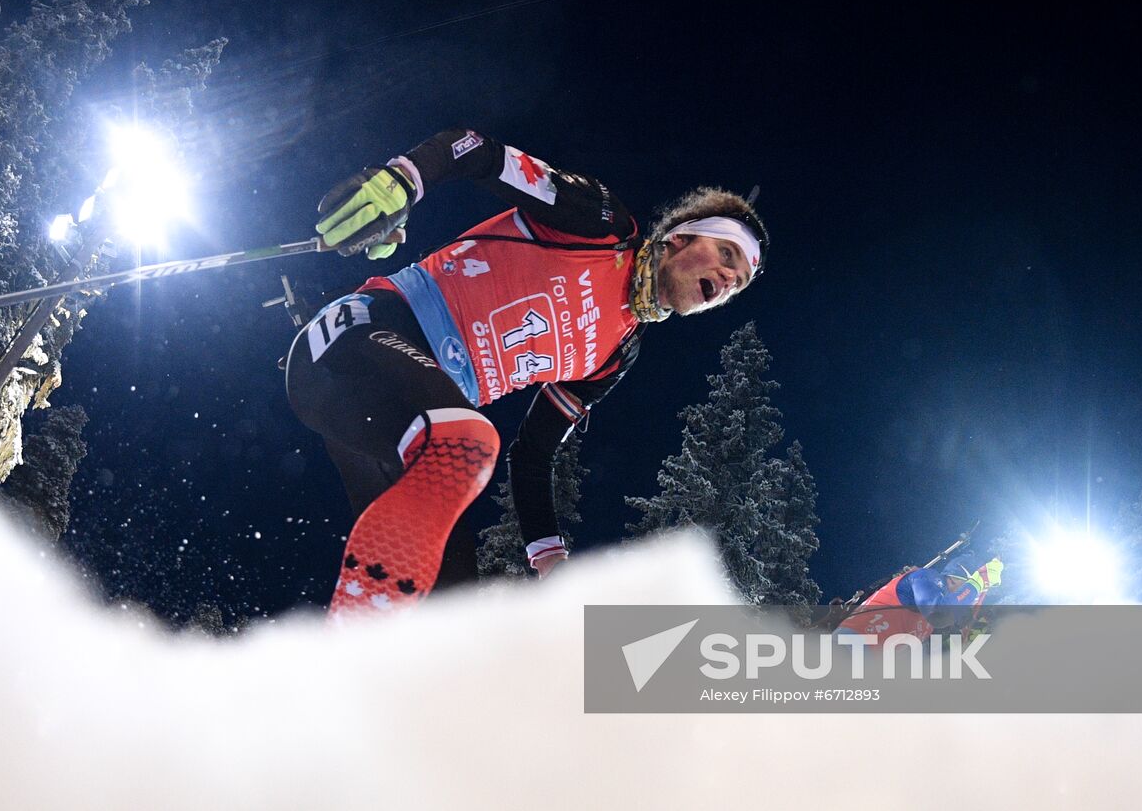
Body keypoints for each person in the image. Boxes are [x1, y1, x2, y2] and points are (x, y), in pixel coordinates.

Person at [285, 128, 767, 619]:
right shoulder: (600, 226)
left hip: (384, 421)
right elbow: (479, 153)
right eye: (727, 254)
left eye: (739, 282)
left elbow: (534, 454)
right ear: (678, 238)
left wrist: (551, 561)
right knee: (465, 441)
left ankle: (351, 663)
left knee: (447, 606)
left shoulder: (617, 354)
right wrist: (403, 182)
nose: (729, 279)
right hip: (357, 338)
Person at [834, 555, 1003, 641]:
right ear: (954, 578)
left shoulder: (939, 610)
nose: (972, 598)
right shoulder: (925, 577)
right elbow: (939, 614)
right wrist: (979, 582)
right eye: (968, 587)